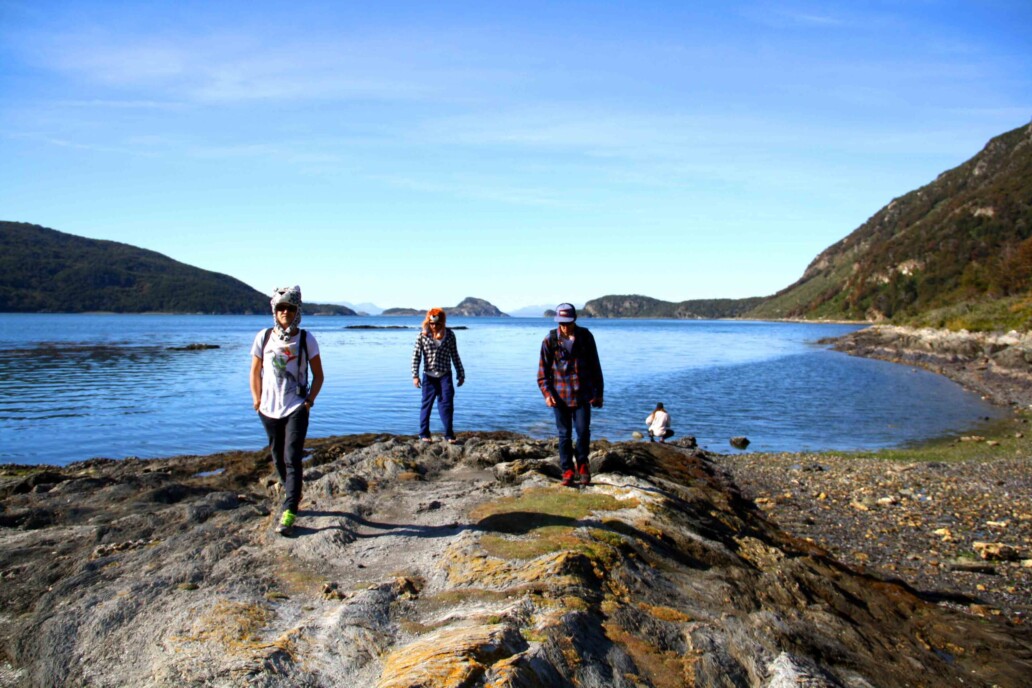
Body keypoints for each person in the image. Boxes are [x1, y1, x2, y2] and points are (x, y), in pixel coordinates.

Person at [250, 286, 324, 536]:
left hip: (296, 406)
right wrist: (257, 400)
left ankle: (290, 509)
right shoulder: (264, 337)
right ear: (274, 310)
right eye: (280, 308)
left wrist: (309, 401)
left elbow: (319, 375)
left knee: (292, 457)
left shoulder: (306, 338)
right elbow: (255, 371)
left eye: (289, 308)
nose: (285, 312)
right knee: (277, 456)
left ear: (297, 311)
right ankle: (291, 493)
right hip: (268, 409)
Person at [537, 303, 604, 486]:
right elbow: (542, 374)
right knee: (564, 435)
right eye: (561, 323)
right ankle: (567, 469)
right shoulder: (549, 340)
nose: (564, 327)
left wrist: (598, 393)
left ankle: (582, 465)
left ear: (574, 320)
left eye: (568, 322)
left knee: (583, 432)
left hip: (583, 394)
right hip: (560, 396)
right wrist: (547, 394)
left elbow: (595, 367)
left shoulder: (586, 337)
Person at [411, 307, 465, 443]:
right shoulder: (422, 336)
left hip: (445, 376)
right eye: (431, 323)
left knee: (447, 405)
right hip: (428, 377)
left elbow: (455, 355)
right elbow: (416, 356)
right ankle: (424, 433)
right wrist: (415, 375)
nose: (434, 326)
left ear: (442, 323)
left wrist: (461, 373)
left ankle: (449, 434)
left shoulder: (450, 335)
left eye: (437, 323)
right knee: (426, 405)